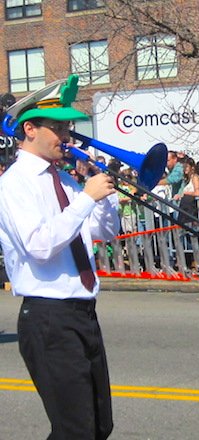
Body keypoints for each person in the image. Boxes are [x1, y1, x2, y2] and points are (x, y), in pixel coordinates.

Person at [0, 75, 120, 439]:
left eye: (67, 126)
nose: (67, 136)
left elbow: (105, 233)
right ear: (30, 129)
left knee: (99, 426)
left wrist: (102, 192)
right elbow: (39, 245)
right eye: (59, 127)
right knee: (75, 431)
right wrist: (85, 200)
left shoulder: (66, 179)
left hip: (83, 313)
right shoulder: (14, 182)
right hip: (49, 317)